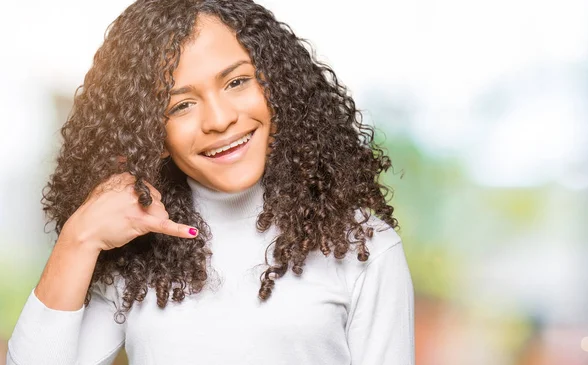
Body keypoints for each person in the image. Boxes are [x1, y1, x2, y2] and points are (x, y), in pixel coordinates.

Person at [6, 1, 414, 364]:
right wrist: (80, 237)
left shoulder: (364, 246)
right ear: (152, 134)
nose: (219, 120)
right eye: (181, 105)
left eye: (237, 82)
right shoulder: (135, 251)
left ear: (277, 87)